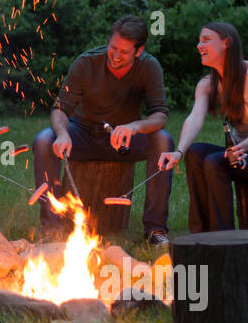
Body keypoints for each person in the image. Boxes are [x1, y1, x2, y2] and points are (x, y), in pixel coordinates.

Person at [31, 16, 175, 246]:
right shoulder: (87, 62)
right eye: (113, 47)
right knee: (43, 140)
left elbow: (160, 115)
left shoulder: (148, 66)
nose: (116, 55)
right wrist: (62, 133)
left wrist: (134, 126)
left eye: (125, 52)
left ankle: (155, 229)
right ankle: (52, 227)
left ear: (139, 51)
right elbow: (60, 108)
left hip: (126, 138)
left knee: (163, 141)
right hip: (83, 133)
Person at [158, 22, 248, 231]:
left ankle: (224, 236)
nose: (199, 45)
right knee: (194, 153)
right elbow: (195, 118)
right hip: (241, 154)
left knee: (214, 162)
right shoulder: (207, 83)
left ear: (227, 42)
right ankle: (201, 233)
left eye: (206, 39)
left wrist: (240, 149)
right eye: (199, 40)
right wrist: (179, 152)